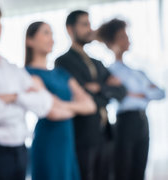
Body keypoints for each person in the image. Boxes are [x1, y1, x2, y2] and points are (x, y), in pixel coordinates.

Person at [0, 2, 78, 180]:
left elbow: (44, 104)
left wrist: (15, 97)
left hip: (20, 152)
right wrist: (25, 101)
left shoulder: (12, 69)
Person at [55, 10, 127, 180]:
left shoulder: (98, 62)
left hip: (105, 134)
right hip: (83, 135)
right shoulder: (63, 62)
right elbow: (80, 96)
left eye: (90, 24)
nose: (89, 29)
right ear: (70, 29)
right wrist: (105, 90)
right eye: (84, 24)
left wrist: (98, 88)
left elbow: (121, 91)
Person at [24, 21, 96, 180]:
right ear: (30, 40)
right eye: (45, 33)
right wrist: (76, 106)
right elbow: (53, 113)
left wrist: (62, 104)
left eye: (52, 34)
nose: (51, 39)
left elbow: (90, 105)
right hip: (48, 141)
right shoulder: (28, 74)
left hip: (68, 142)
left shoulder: (61, 73)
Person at [97, 19, 165, 180]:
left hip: (143, 121)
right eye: (122, 36)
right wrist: (143, 92)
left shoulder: (137, 71)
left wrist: (132, 92)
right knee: (123, 169)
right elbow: (116, 95)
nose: (127, 40)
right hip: (125, 123)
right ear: (111, 42)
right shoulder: (109, 72)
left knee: (139, 168)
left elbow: (161, 93)